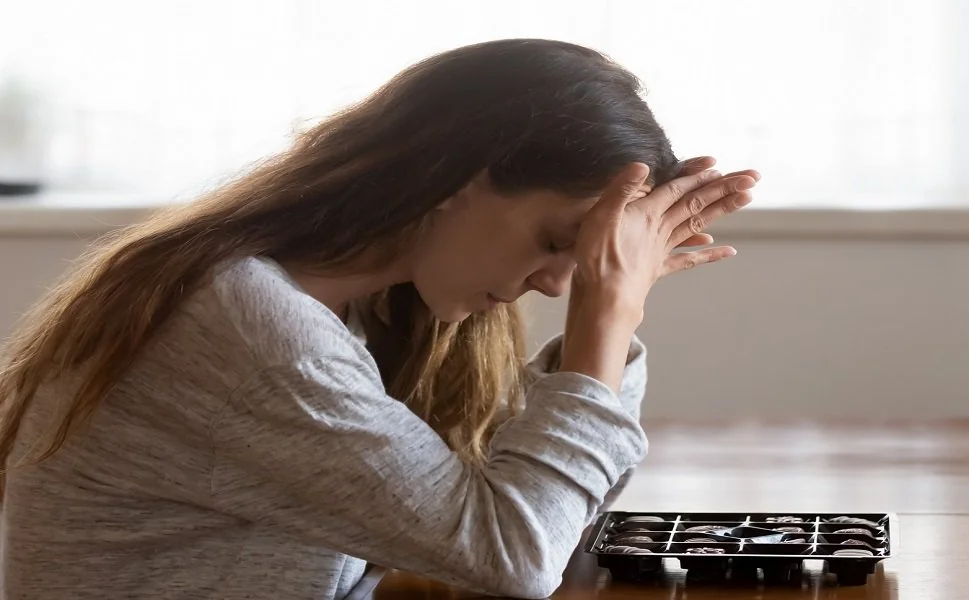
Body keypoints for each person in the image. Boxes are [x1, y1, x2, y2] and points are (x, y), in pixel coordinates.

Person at [0, 39, 758, 599]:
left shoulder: (362, 305)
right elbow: (515, 555)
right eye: (559, 241)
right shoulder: (254, 328)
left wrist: (612, 319)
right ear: (455, 179)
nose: (560, 286)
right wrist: (606, 317)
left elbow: (551, 515)